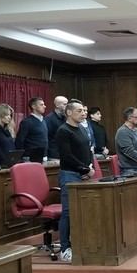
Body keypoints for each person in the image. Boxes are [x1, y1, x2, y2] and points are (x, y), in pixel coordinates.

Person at [55, 100, 94, 263]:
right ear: (69, 112)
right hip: (69, 174)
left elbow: (88, 150)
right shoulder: (63, 131)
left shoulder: (82, 129)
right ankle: (65, 248)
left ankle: (81, 243)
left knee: (83, 211)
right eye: (79, 111)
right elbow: (67, 156)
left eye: (84, 111)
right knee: (68, 212)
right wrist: (84, 169)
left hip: (83, 174)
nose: (83, 113)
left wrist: (89, 167)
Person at [15, 96, 48, 162]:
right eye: (41, 105)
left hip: (44, 157)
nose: (45, 106)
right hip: (30, 158)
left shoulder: (44, 121)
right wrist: (20, 157)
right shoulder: (26, 122)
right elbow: (20, 141)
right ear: (33, 106)